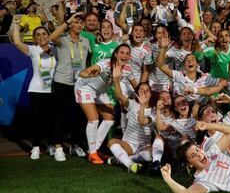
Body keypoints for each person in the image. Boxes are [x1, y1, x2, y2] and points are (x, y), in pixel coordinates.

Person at [75, 44, 137, 164]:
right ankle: (92, 154)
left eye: (127, 53)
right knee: (93, 119)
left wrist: (145, 96)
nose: (124, 55)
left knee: (109, 119)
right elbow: (83, 73)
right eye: (122, 52)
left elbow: (137, 86)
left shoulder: (128, 69)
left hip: (99, 91)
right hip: (85, 87)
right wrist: (89, 74)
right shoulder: (105, 64)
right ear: (115, 54)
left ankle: (94, 150)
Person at [11, 21, 57, 160]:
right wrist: (16, 26)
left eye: (44, 34)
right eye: (38, 35)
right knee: (38, 120)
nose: (41, 36)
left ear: (49, 36)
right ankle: (36, 147)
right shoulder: (33, 50)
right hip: (37, 89)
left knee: (51, 120)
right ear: (35, 38)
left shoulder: (56, 49)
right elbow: (18, 43)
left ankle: (50, 145)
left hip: (53, 90)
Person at [49, 12, 91, 161]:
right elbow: (52, 38)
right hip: (62, 82)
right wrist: (67, 21)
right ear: (70, 24)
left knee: (78, 117)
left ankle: (75, 145)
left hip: (79, 83)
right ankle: (58, 146)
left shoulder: (85, 41)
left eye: (81, 22)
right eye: (75, 22)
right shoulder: (63, 39)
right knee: (59, 115)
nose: (78, 24)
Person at [108, 72, 154, 173]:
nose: (145, 93)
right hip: (129, 144)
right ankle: (130, 164)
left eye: (147, 90)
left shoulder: (154, 111)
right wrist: (116, 80)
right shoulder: (132, 104)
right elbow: (120, 95)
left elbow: (141, 121)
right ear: (137, 93)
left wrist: (142, 105)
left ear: (150, 93)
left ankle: (123, 160)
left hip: (144, 146)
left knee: (154, 153)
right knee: (111, 142)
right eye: (141, 90)